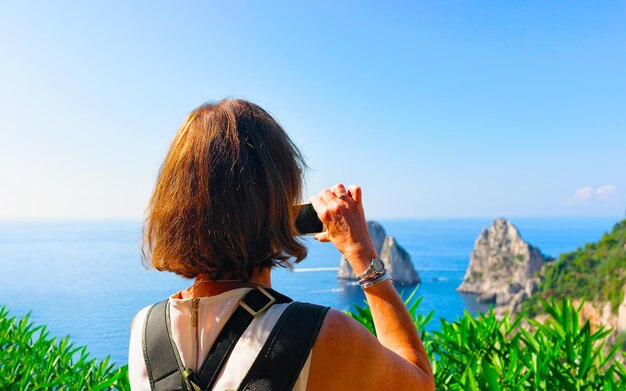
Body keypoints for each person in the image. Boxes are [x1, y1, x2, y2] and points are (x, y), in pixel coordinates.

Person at [128, 99, 434, 390]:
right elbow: (419, 384)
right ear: (277, 203)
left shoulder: (145, 331)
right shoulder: (320, 333)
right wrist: (362, 254)